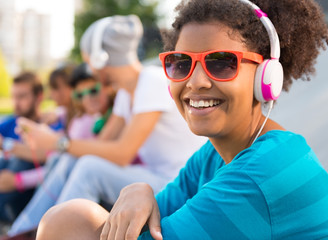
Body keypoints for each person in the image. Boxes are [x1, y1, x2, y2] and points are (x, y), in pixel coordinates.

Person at [35, 0, 328, 239]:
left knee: (70, 220)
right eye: (179, 63)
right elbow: (157, 212)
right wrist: (140, 189)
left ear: (266, 77)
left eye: (221, 63)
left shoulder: (262, 173)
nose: (196, 81)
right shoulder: (213, 156)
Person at [13, 14, 205, 236]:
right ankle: (27, 230)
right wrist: (58, 144)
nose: (90, 70)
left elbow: (122, 153)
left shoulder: (151, 81)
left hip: (176, 185)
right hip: (152, 177)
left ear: (99, 58)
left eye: (88, 62)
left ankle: (52, 232)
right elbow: (101, 143)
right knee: (71, 159)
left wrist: (58, 142)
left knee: (89, 168)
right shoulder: (126, 93)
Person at [5, 63, 113, 236]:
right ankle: (25, 230)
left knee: (68, 161)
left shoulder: (91, 120)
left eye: (57, 88)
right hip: (50, 180)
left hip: (49, 181)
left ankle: (31, 230)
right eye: (80, 94)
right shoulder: (68, 116)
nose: (53, 94)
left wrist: (18, 177)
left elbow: (51, 156)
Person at [0, 72, 62, 223]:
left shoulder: (52, 125)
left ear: (39, 97)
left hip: (32, 194)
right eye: (14, 96)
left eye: (22, 96)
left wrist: (7, 145)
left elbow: (47, 155)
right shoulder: (9, 124)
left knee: (21, 160)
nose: (16, 102)